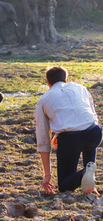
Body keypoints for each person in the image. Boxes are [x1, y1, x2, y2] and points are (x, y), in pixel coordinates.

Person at [35, 66, 102, 194]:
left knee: (64, 186)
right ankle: (89, 170)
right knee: (89, 133)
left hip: (70, 140)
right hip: (95, 133)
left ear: (48, 83)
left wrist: (47, 175)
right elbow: (92, 117)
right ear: (67, 79)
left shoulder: (43, 100)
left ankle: (85, 174)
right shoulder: (80, 88)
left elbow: (43, 140)